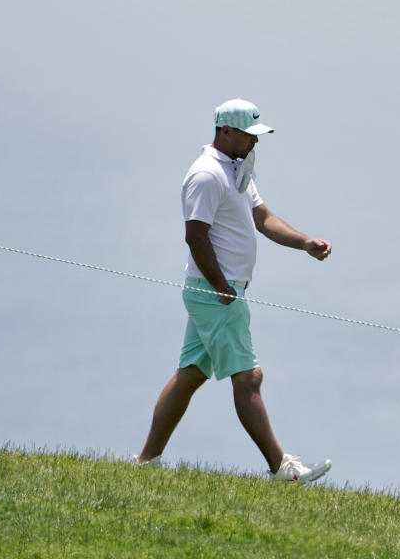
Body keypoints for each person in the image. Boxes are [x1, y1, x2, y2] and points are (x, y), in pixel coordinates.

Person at [134, 98, 332, 482]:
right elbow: (195, 235)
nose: (255, 143)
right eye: (248, 135)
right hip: (216, 293)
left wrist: (305, 242)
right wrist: (221, 287)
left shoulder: (237, 170)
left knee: (190, 375)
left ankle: (146, 461)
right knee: (249, 377)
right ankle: (282, 469)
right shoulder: (207, 174)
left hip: (218, 291)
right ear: (225, 131)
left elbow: (264, 219)